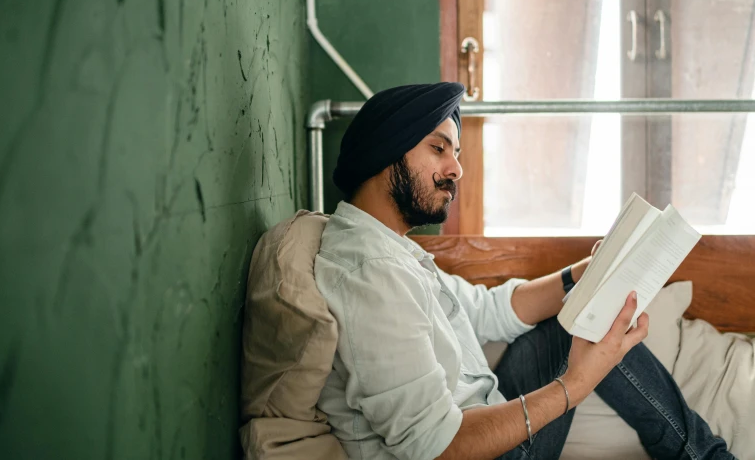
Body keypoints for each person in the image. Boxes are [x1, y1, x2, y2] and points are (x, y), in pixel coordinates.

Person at [313, 82, 734, 460]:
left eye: (455, 154)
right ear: (386, 150)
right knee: (588, 331)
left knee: (577, 317)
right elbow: (436, 448)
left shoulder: (391, 249)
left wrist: (584, 273)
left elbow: (486, 310)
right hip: (475, 450)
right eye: (438, 148)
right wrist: (575, 385)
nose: (457, 169)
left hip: (486, 413)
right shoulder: (370, 273)